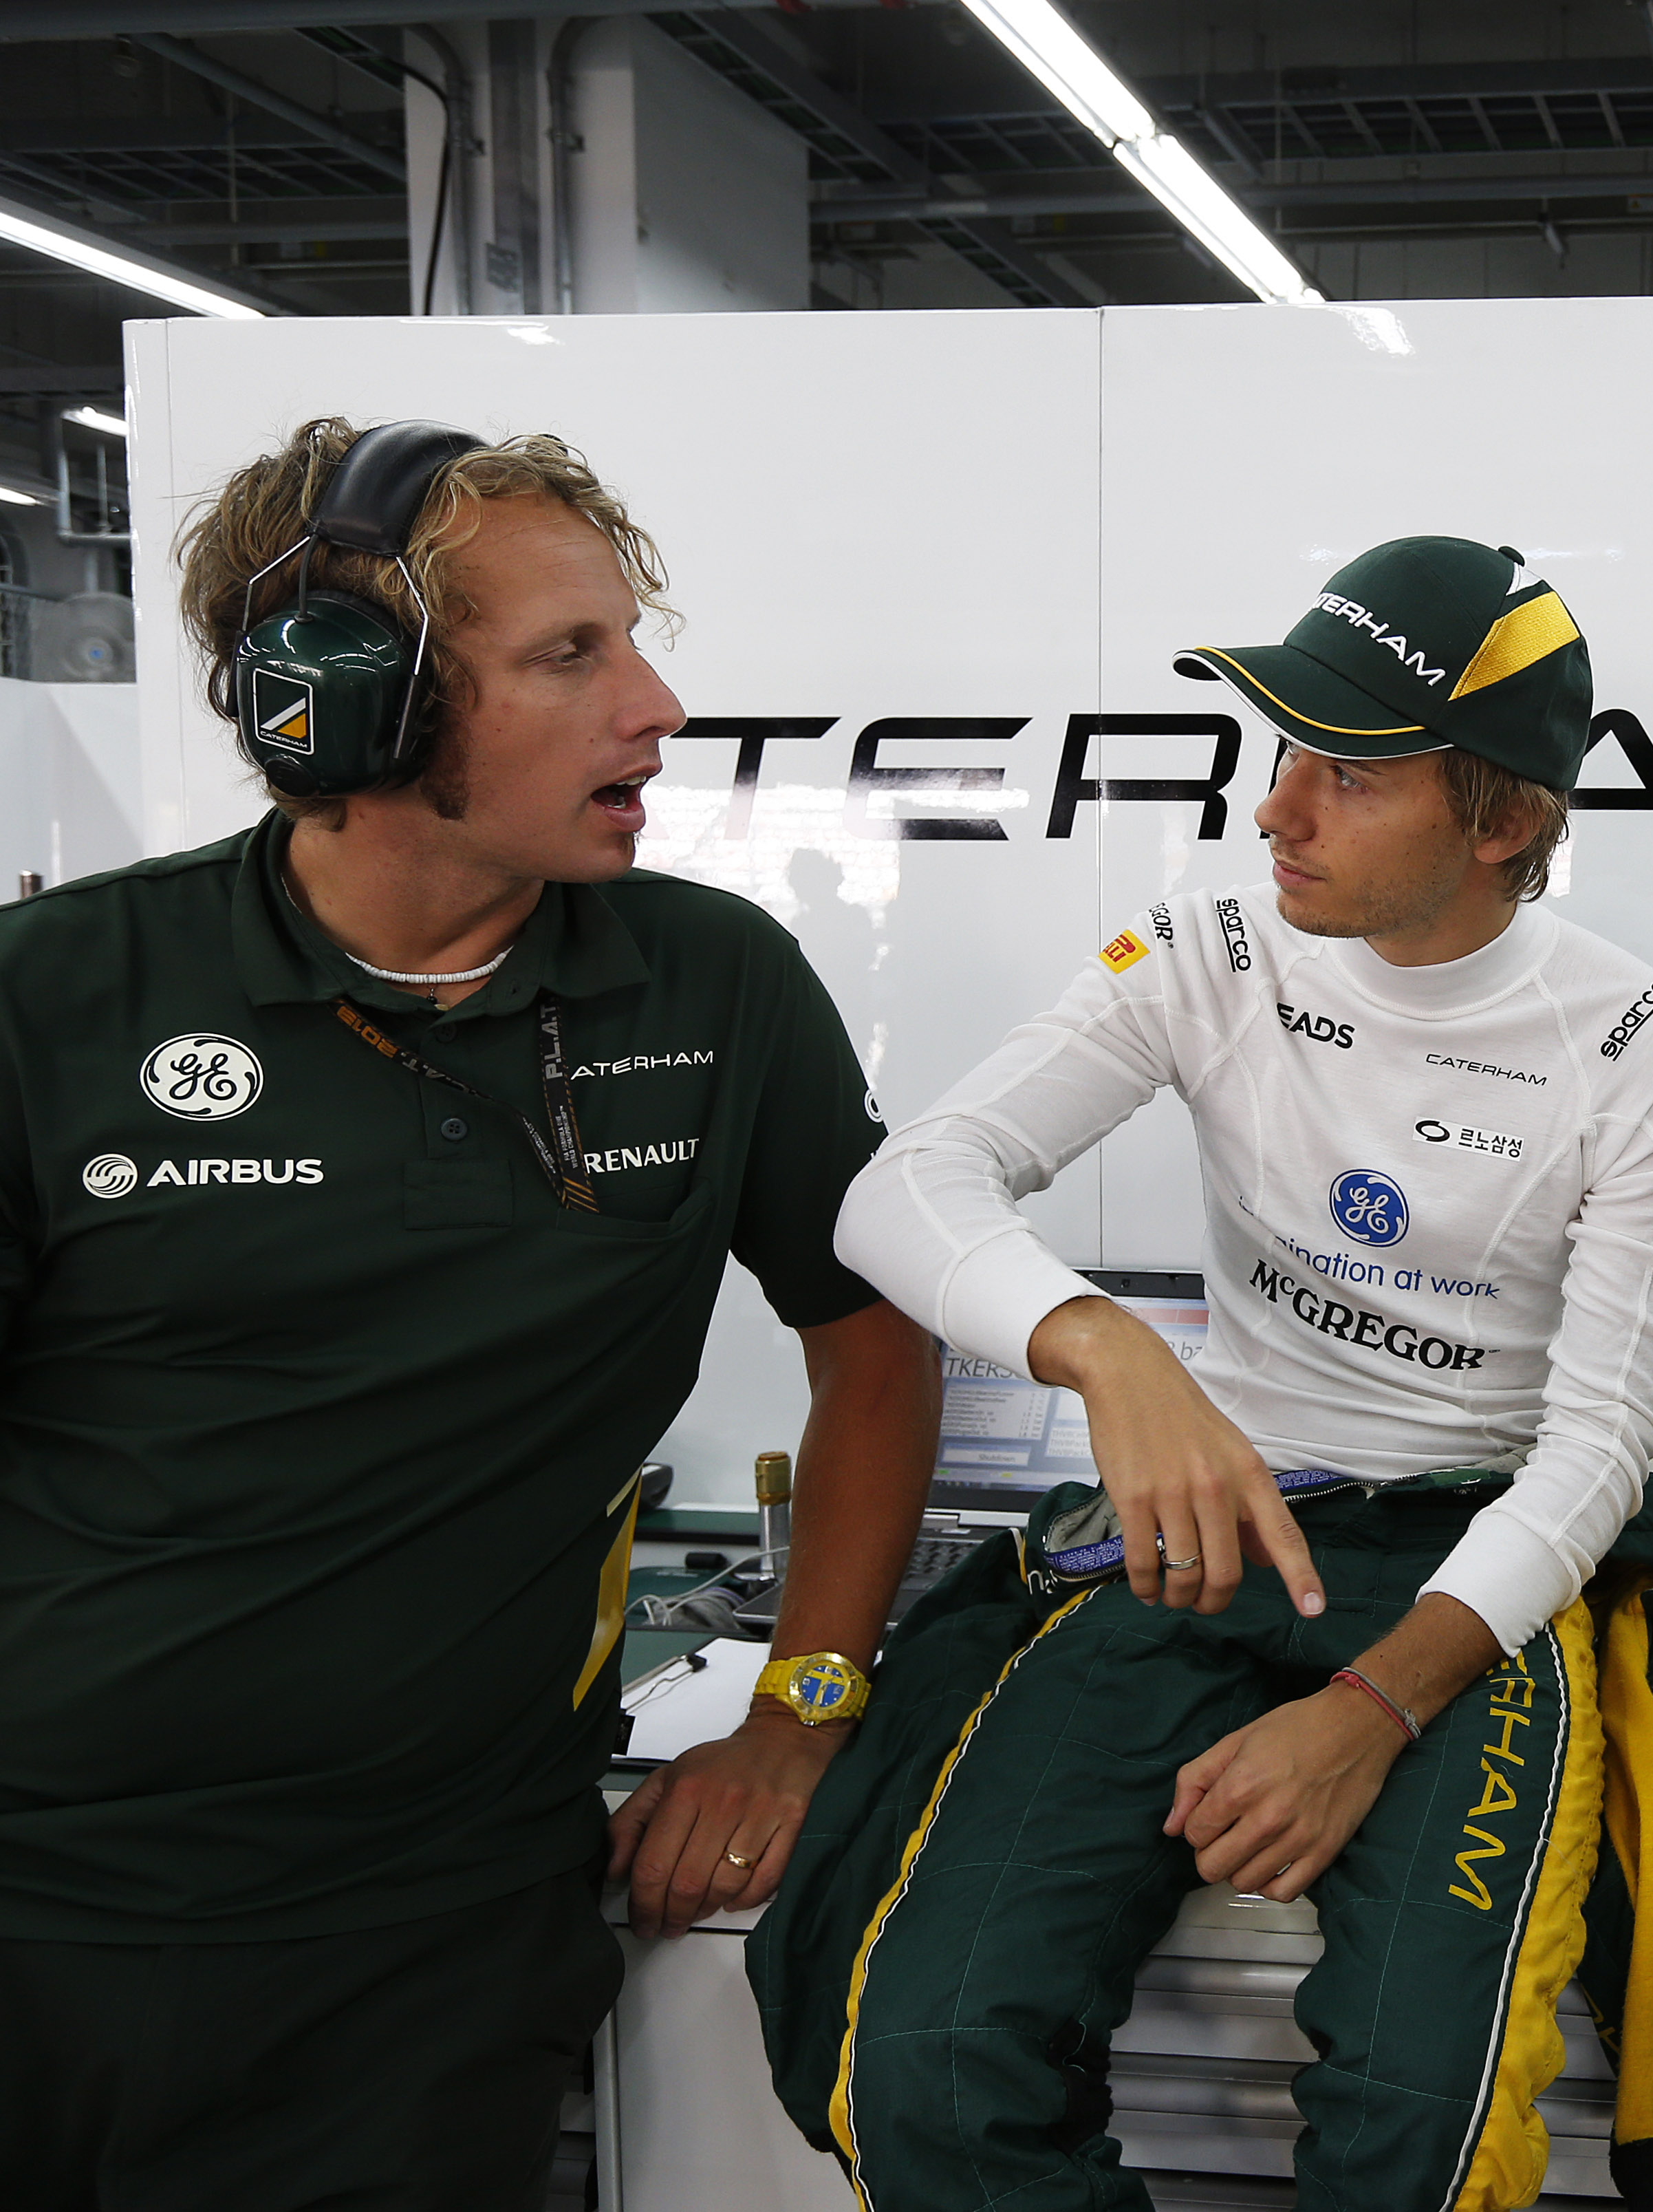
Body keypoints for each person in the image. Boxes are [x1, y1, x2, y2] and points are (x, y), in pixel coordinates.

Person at [0, 418, 939, 2211]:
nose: (655, 708)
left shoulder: (716, 986)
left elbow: (875, 1346)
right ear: (351, 707)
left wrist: (800, 1708)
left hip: (427, 1954)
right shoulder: (51, 998)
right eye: (570, 656)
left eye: (629, 643)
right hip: (41, 1915)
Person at [755, 536, 1653, 2210]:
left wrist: (1368, 1713)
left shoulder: (1650, 1044)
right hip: (1207, 1536)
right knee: (924, 2064)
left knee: (1420, 2129)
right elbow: (900, 1189)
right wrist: (1107, 1351)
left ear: (1501, 822)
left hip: (1465, 1572)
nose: (1275, 808)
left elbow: (1590, 1455)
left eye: (1348, 773)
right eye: (1283, 753)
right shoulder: (1206, 947)